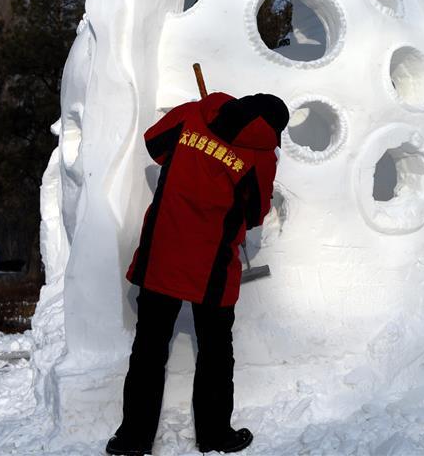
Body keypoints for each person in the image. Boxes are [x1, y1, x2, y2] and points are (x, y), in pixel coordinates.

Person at [106, 91, 289, 455]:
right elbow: (254, 212)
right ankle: (215, 435)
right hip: (212, 265)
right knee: (216, 352)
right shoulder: (261, 157)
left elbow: (154, 144)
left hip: (163, 251)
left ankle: (132, 440)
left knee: (149, 348)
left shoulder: (193, 115)